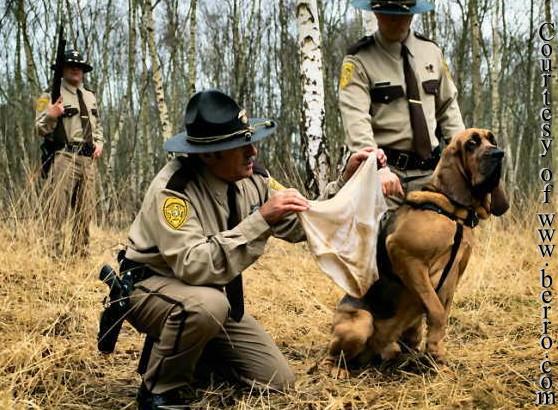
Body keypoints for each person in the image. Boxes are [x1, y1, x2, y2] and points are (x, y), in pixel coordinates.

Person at [121, 89, 397, 409]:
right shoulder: (174, 191)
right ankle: (159, 390)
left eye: (251, 139)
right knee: (205, 306)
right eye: (241, 146)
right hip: (152, 289)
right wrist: (261, 219)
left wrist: (349, 181)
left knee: (276, 382)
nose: (253, 150)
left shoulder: (254, 178)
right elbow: (194, 266)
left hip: (211, 299)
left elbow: (306, 221)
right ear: (209, 154)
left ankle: (198, 353)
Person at [339, 0, 465, 209]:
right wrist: (377, 169)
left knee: (441, 236)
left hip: (430, 174)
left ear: (413, 14)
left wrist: (464, 156)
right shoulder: (359, 60)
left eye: (402, 14)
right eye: (388, 13)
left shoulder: (431, 52)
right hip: (386, 174)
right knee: (381, 238)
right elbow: (356, 121)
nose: (395, 20)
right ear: (376, 13)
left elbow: (448, 110)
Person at [35, 49, 104, 257]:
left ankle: (80, 255)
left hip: (88, 159)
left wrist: (99, 142)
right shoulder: (47, 95)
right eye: (71, 65)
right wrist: (51, 115)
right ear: (62, 69)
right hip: (64, 157)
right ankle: (53, 255)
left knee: (85, 212)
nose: (76, 70)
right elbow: (38, 129)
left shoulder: (90, 96)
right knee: (57, 209)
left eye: (80, 67)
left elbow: (97, 125)